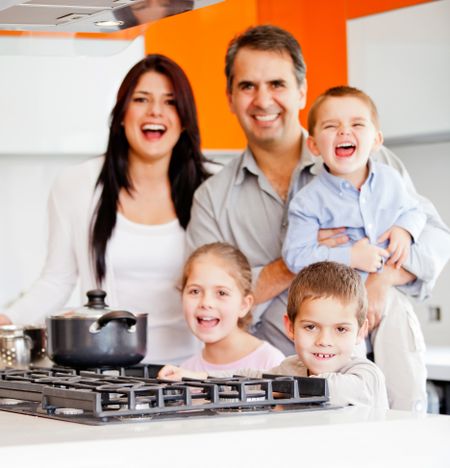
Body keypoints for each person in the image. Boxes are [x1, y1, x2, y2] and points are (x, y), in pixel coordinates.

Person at [185, 24, 450, 410]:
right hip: (289, 388)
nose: (263, 100)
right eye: (247, 86)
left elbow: (435, 241)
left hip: (383, 372)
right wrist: (310, 259)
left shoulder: (369, 163)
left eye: (276, 83)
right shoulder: (211, 199)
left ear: (301, 91)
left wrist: (379, 278)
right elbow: (217, 308)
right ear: (230, 97)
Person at [0, 54, 210, 364]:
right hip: (109, 374)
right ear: (122, 114)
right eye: (141, 99)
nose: (155, 111)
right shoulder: (77, 185)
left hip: (194, 373)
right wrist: (7, 320)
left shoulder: (213, 188)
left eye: (170, 102)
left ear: (184, 119)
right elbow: (56, 281)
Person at [159, 261, 389, 409]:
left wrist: (275, 385)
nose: (324, 341)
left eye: (341, 329)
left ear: (361, 331)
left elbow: (331, 389)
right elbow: (249, 379)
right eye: (310, 327)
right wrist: (196, 378)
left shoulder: (366, 376)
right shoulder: (292, 368)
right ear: (290, 327)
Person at [283, 86, 426, 278]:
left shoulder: (391, 179)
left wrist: (405, 230)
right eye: (331, 126)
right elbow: (295, 256)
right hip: (337, 302)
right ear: (314, 145)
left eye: (357, 124)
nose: (344, 132)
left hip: (390, 297)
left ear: (376, 140)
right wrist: (350, 257)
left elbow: (416, 211)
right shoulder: (306, 202)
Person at [180, 242, 284, 372]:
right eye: (195, 291)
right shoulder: (186, 370)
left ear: (244, 305)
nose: (206, 303)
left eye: (221, 293)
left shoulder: (271, 364)